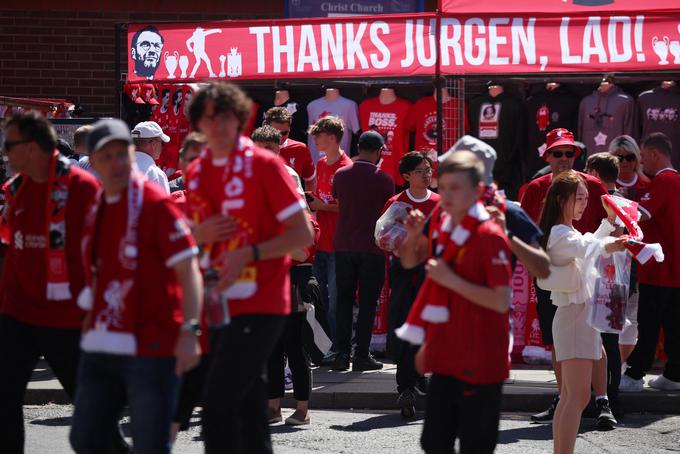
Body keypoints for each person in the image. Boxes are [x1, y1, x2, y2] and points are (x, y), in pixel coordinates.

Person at [184, 82, 314, 453]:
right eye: (210, 119)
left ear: (239, 119)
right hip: (217, 302)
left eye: (226, 118)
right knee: (248, 402)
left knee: (218, 403)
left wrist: (251, 253)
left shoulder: (265, 165)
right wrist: (196, 232)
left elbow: (302, 235)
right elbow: (192, 244)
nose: (219, 127)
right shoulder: (196, 172)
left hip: (263, 300)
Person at [68, 119, 203, 454]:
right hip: (104, 340)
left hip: (154, 343)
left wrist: (190, 330)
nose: (115, 164)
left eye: (121, 155)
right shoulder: (95, 207)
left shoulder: (156, 204)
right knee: (85, 436)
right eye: (106, 157)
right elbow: (96, 268)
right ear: (92, 162)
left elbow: (188, 268)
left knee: (150, 443)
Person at [396, 151, 513, 454]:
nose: (445, 194)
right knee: (433, 441)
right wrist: (412, 235)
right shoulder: (443, 225)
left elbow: (501, 300)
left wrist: (452, 281)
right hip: (447, 356)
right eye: (443, 186)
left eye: (455, 187)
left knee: (475, 446)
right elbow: (410, 261)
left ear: (476, 191)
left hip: (481, 360)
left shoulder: (489, 235)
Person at [0, 111, 99, 454]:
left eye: (9, 145)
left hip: (68, 318)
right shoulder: (15, 190)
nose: (5, 153)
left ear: (31, 148)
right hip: (17, 314)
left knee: (91, 414)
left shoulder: (82, 188)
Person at [521, 128, 610, 424]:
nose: (563, 158)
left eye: (569, 153)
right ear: (547, 155)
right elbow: (529, 236)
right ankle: (567, 396)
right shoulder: (536, 189)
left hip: (589, 281)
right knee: (573, 393)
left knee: (598, 345)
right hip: (565, 292)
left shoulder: (593, 185)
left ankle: (603, 400)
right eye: (557, 153)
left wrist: (612, 228)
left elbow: (594, 239)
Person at [537, 170, 626, 454]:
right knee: (575, 398)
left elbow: (589, 243)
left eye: (587, 198)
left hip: (579, 317)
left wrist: (610, 221)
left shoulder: (565, 231)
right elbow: (590, 246)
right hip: (575, 316)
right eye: (579, 198)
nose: (584, 204)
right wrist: (617, 239)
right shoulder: (559, 234)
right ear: (560, 199)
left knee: (571, 397)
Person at [330, 130, 395, 371]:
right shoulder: (385, 179)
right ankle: (361, 355)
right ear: (379, 152)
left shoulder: (341, 175)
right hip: (372, 247)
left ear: (357, 147)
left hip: (344, 244)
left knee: (344, 300)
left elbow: (338, 203)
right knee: (368, 302)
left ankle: (341, 353)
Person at [382, 151, 440, 417]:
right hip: (405, 274)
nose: (426, 174)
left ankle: (418, 376)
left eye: (428, 169)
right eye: (419, 171)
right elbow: (383, 237)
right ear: (406, 176)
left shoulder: (441, 202)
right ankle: (405, 387)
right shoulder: (396, 202)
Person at [621, 133, 680, 392]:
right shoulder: (676, 180)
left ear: (655, 155)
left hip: (659, 269)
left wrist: (614, 203)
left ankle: (634, 374)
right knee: (673, 325)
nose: (641, 162)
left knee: (649, 324)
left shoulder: (664, 180)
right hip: (674, 270)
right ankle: (675, 374)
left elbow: (640, 215)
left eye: (642, 156)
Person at [307, 116, 353, 354]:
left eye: (318, 135)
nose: (314, 139)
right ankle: (322, 347)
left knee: (335, 300)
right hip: (320, 242)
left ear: (332, 138)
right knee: (319, 299)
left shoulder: (346, 168)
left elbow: (348, 205)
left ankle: (337, 347)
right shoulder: (322, 164)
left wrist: (321, 206)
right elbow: (322, 198)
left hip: (338, 243)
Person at [607, 136, 648, 366]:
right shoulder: (605, 186)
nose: (624, 162)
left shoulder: (646, 185)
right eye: (618, 157)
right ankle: (612, 366)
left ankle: (624, 366)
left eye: (629, 157)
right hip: (613, 258)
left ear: (636, 160)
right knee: (612, 314)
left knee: (632, 316)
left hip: (639, 259)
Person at [265, 106, 317, 192]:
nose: (279, 137)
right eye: (275, 132)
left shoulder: (300, 149)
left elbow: (310, 179)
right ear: (266, 128)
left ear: (290, 129)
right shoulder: (256, 148)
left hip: (292, 204)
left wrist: (308, 202)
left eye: (284, 133)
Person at [131, 121, 171, 194]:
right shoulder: (156, 175)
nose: (162, 147)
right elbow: (164, 204)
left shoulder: (117, 168)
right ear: (153, 144)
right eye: (162, 143)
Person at [608, 135, 650, 202]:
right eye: (619, 158)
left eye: (630, 157)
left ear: (637, 158)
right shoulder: (606, 183)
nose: (625, 161)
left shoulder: (646, 184)